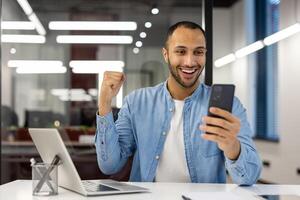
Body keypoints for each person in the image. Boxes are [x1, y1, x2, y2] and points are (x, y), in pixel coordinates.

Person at [95, 21, 261, 185]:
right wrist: (104, 104)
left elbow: (249, 178)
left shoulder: (229, 106)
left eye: (198, 52)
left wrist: (232, 146)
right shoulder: (136, 102)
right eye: (181, 51)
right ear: (166, 54)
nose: (190, 62)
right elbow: (110, 165)